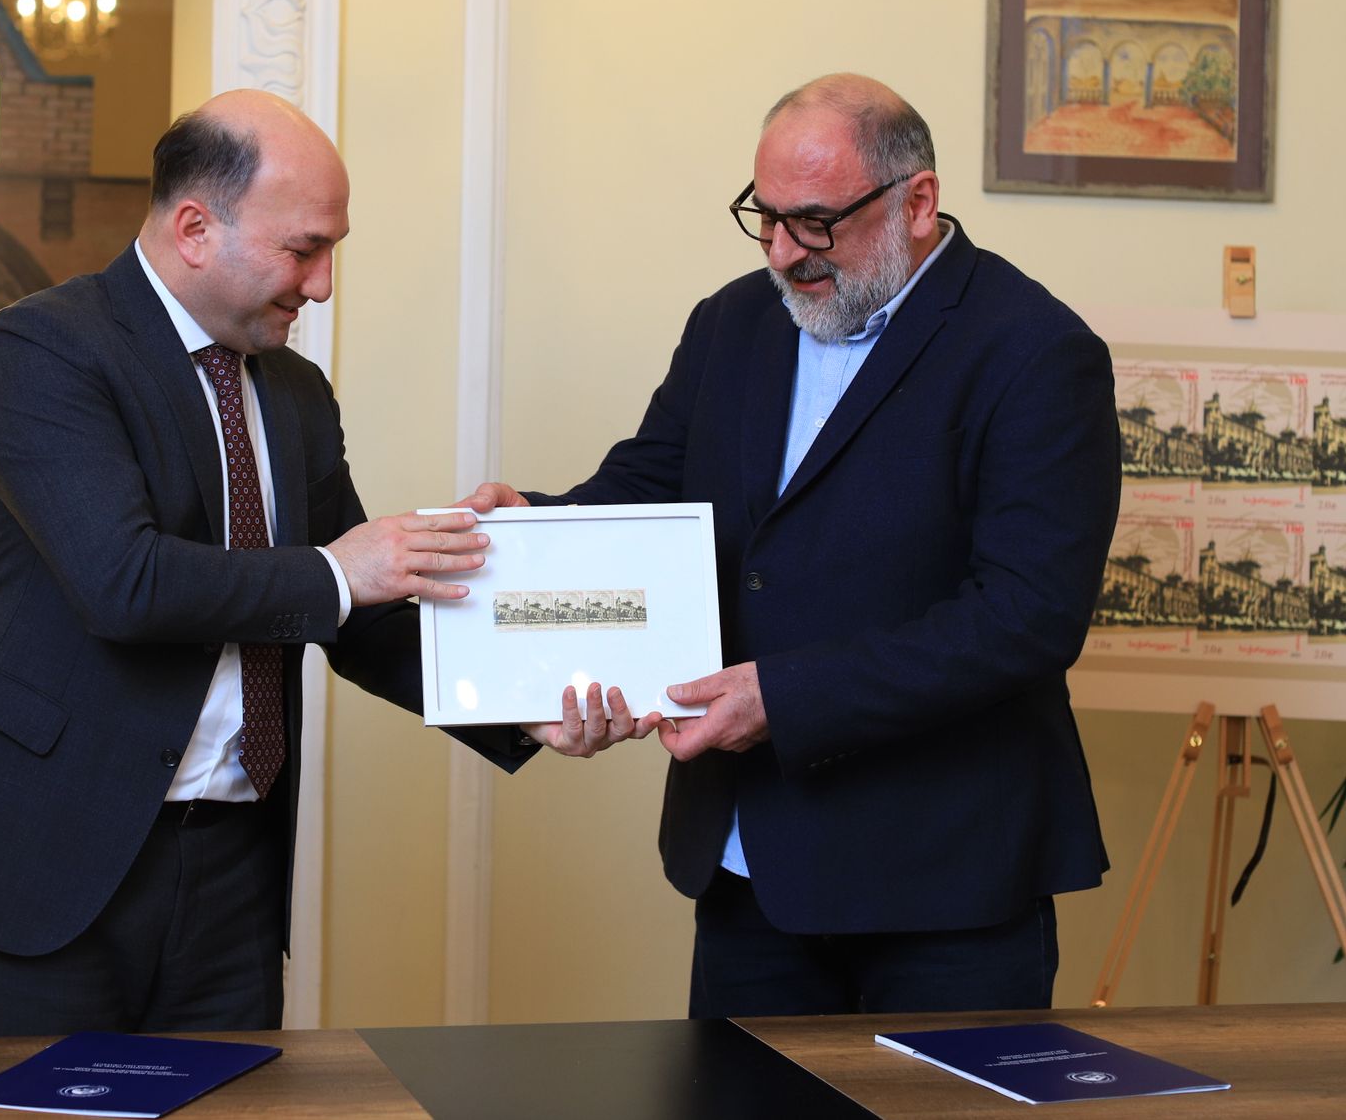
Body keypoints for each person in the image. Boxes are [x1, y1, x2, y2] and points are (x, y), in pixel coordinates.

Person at [0, 90, 649, 1037]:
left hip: (233, 874)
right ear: (195, 229)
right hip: (37, 859)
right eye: (303, 250)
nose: (322, 286)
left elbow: (357, 617)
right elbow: (125, 581)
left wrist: (522, 705)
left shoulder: (295, 390)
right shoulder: (43, 349)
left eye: (333, 252)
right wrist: (342, 570)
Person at [466, 73, 1121, 1017]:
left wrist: (782, 696)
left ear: (918, 202)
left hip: (946, 886)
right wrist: (529, 528)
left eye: (814, 223)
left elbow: (1027, 617)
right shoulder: (731, 321)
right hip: (751, 867)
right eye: (765, 217)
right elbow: (646, 492)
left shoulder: (1035, 350)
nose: (782, 251)